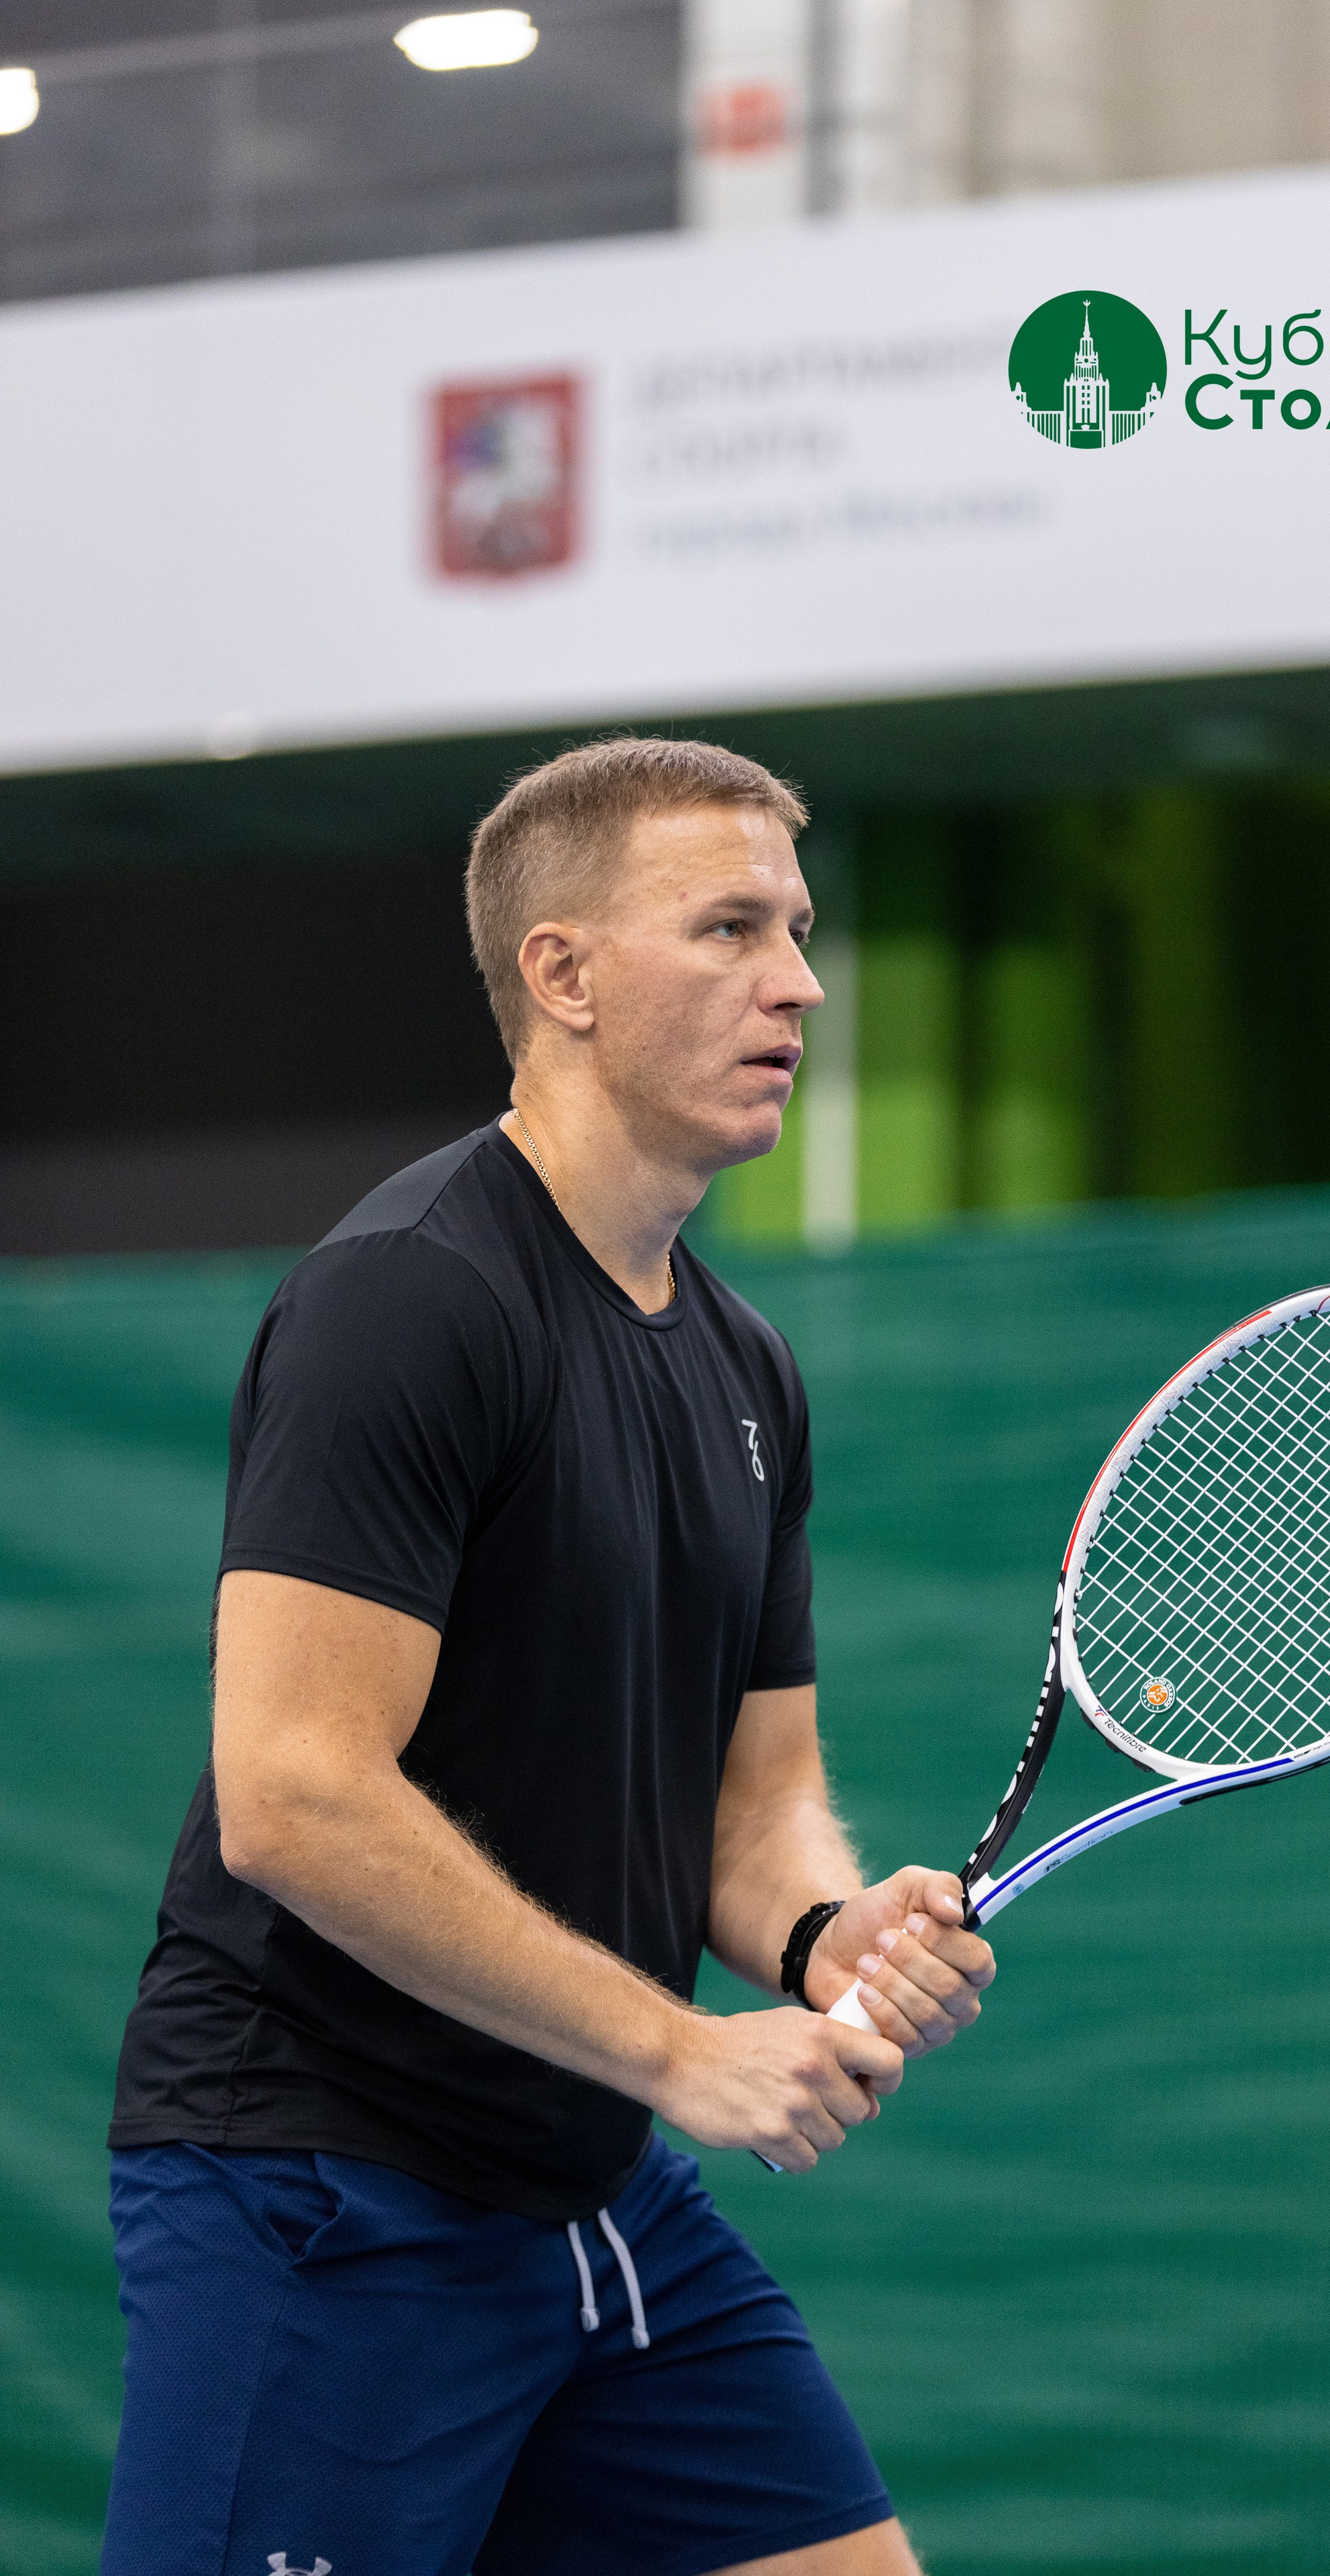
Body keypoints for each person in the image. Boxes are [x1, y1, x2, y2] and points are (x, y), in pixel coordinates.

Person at [101, 737, 996, 2576]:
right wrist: (680, 2049)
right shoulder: (406, 1301)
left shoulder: (747, 1373)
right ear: (563, 973)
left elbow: (753, 1808)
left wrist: (825, 1935)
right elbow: (294, 1797)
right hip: (325, 2186)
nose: (800, 984)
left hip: (590, 2193)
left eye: (799, 930)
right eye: (730, 928)